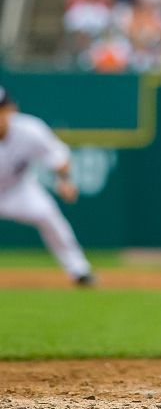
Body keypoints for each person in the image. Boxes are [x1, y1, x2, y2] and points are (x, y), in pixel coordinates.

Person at [0, 87, 93, 285]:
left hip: (18, 190)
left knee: (48, 216)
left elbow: (58, 156)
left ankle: (79, 271)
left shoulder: (29, 129)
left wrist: (65, 181)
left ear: (11, 109)